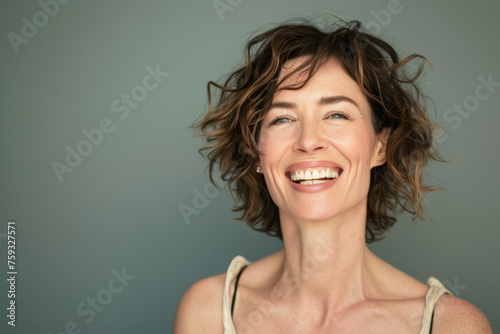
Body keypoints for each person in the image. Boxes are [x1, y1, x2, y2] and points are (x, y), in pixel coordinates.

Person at [173, 17, 493, 333]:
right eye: (282, 118)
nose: (308, 141)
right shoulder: (208, 310)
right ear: (255, 150)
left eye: (337, 114)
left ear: (380, 146)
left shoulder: (450, 325)